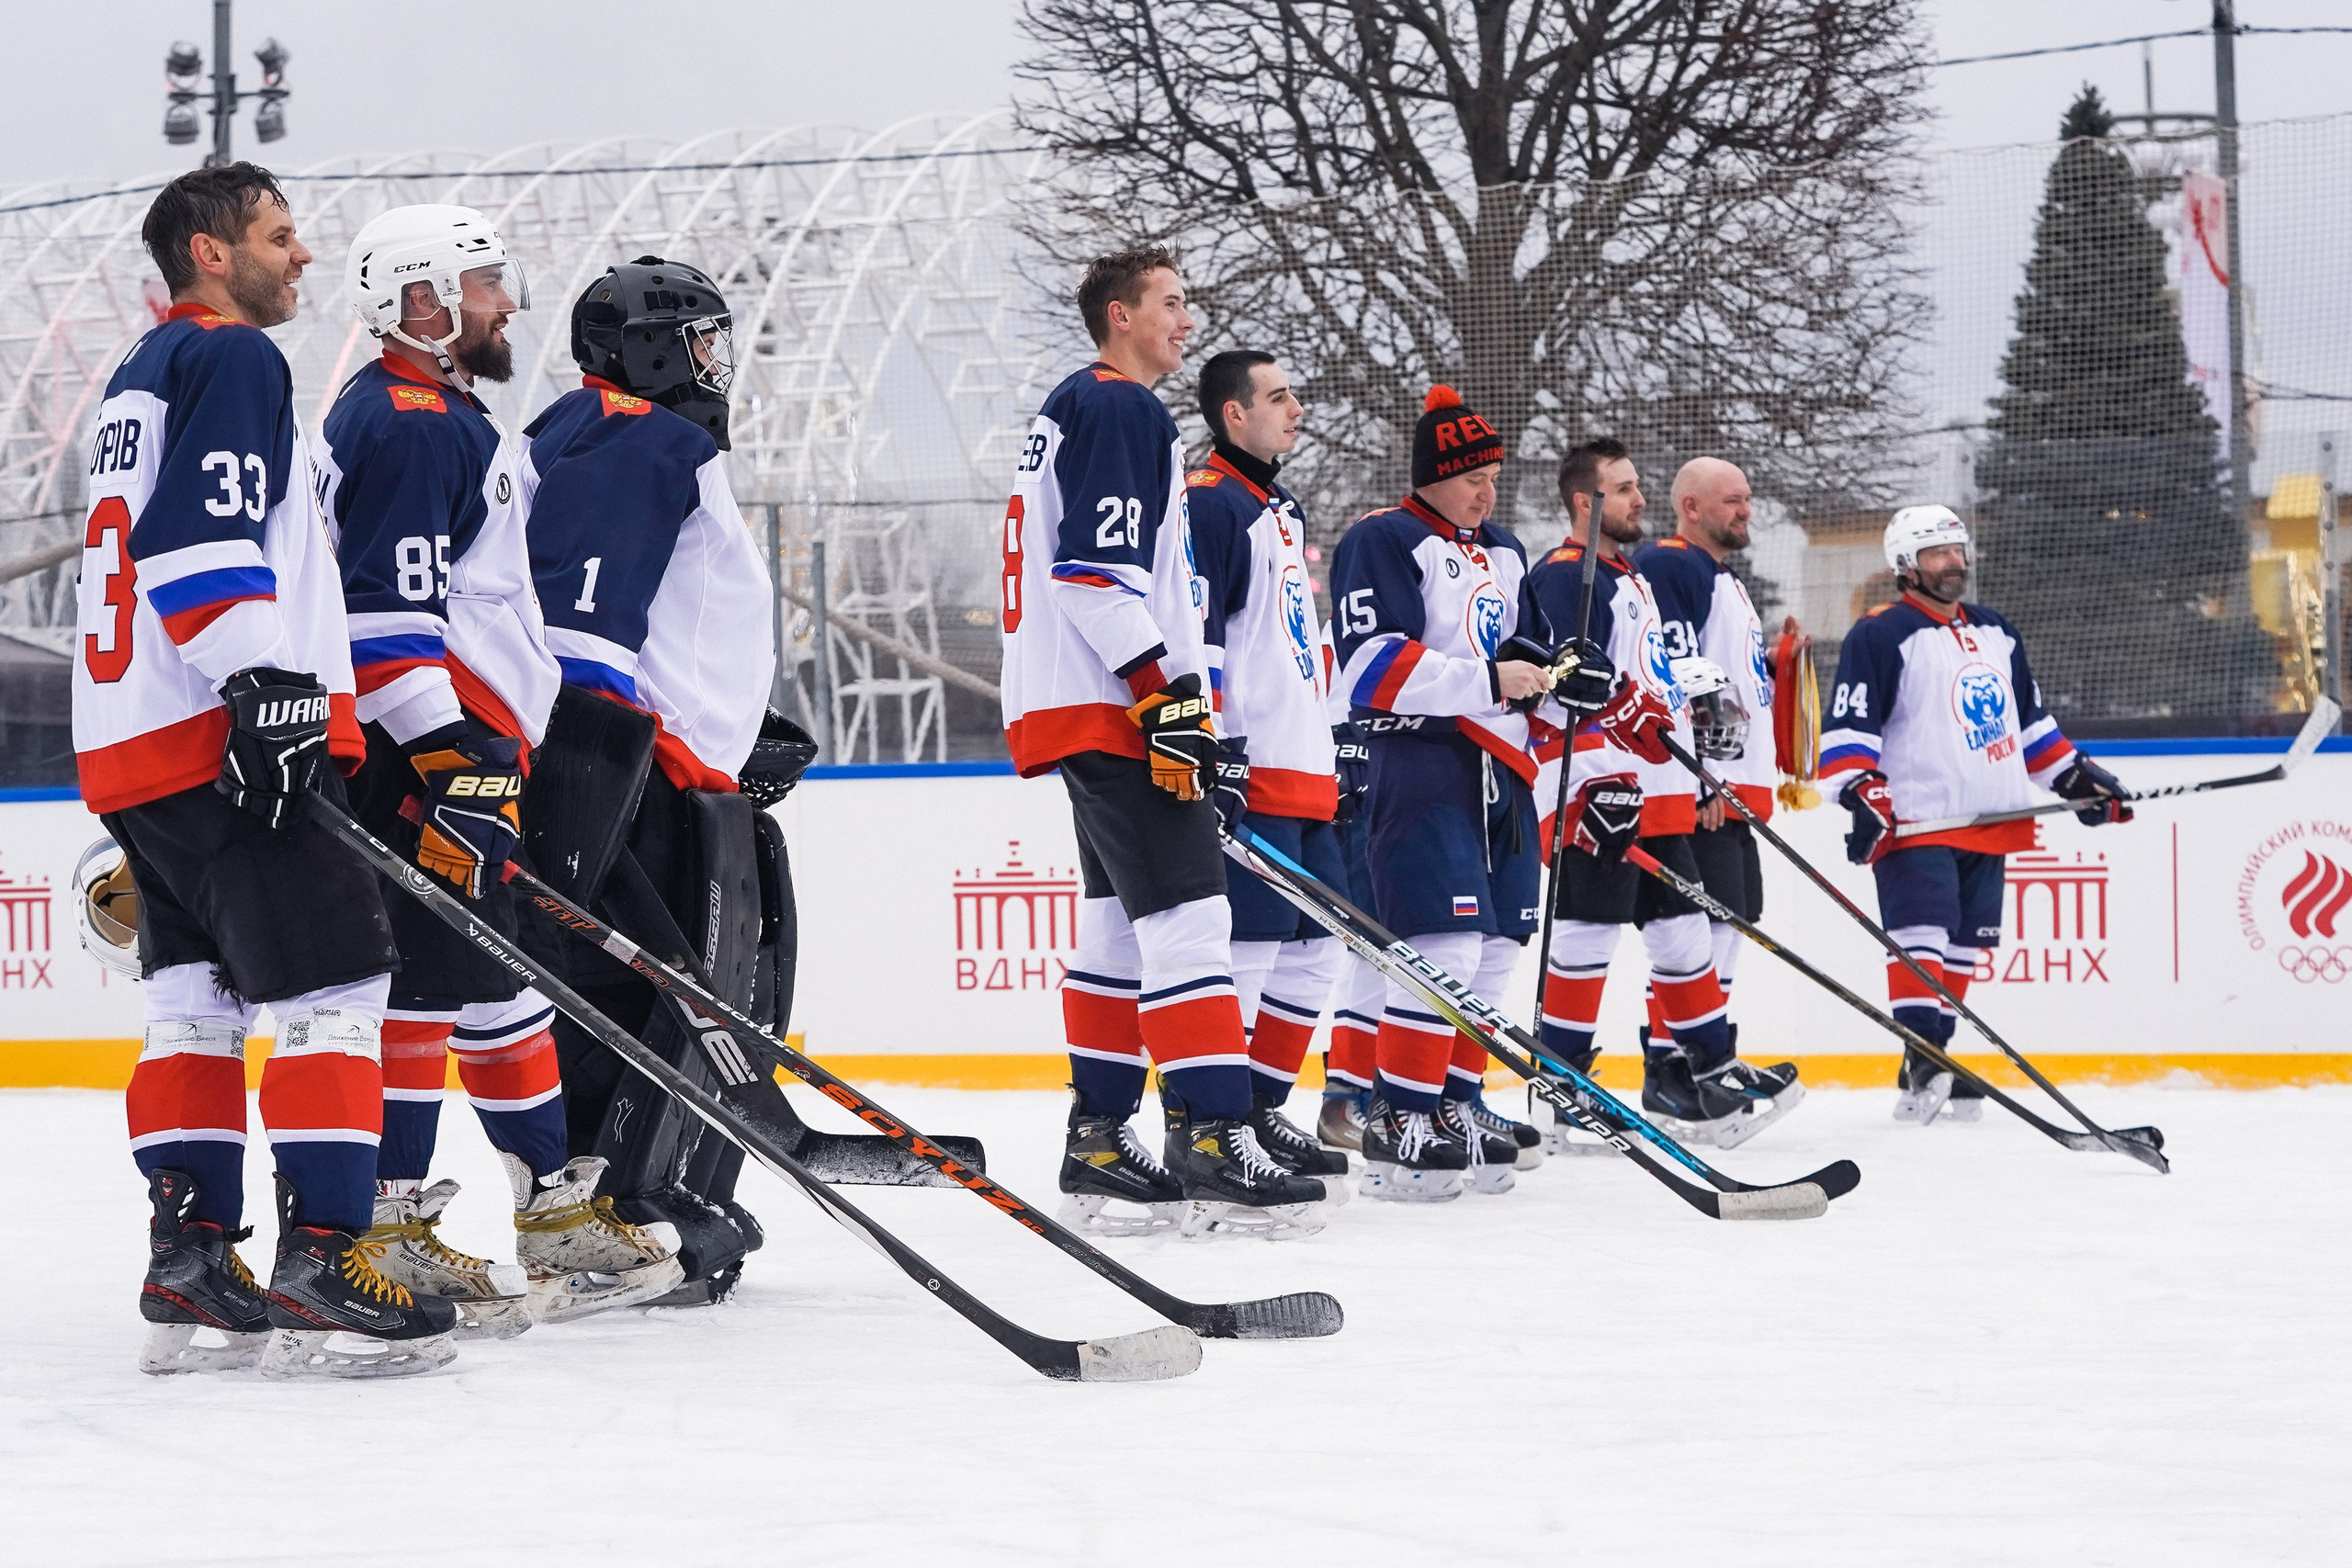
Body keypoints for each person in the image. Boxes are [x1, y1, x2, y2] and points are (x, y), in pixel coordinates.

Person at [74, 163, 456, 1378]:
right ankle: (329, 1251)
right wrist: (264, 682)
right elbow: (200, 542)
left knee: (194, 994)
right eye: (281, 237)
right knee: (337, 984)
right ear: (210, 252)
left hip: (132, 746)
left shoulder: (134, 379)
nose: (302, 257)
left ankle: (188, 1247)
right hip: (221, 733)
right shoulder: (234, 360)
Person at [323, 205, 678, 1329]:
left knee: (494, 979)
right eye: (483, 282)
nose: (506, 300)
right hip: (425, 750)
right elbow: (384, 620)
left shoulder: (431, 414)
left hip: (454, 744)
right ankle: (391, 1224)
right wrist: (454, 754)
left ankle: (544, 1205)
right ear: (421, 303)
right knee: (428, 989)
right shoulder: (414, 423)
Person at [1004, 248, 1325, 1240]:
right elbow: (1093, 577)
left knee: (1114, 933)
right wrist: (1166, 697)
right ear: (1119, 315)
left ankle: (1098, 1138)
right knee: (1191, 925)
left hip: (1082, 705)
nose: (1186, 322)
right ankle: (1212, 1136)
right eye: (1171, 304)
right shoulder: (1119, 407)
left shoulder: (1080, 408)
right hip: (1116, 707)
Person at [518, 255, 784, 1303]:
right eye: (702, 341)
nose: (717, 364)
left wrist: (737, 725)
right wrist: (628, 766)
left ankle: (650, 1193)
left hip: (667, 759)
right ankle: (618, 1210)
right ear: (647, 351)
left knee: (660, 994)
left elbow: (664, 615)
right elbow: (580, 629)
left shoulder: (606, 435)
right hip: (640, 771)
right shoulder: (632, 437)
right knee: (628, 997)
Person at [1525, 439, 1801, 1149]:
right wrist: (1586, 783)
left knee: (1681, 930)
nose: (1637, 498)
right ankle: (1563, 1085)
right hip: (1599, 794)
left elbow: (1637, 683)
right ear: (1585, 503)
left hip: (1655, 790)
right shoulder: (1564, 578)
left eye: (1637, 485)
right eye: (1621, 489)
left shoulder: (1627, 579)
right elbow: (1554, 692)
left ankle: (1712, 1070)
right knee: (1586, 931)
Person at [1326, 386, 1565, 1201]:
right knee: (1441, 947)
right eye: (1472, 476)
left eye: (1494, 474)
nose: (1487, 490)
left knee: (1494, 950)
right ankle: (1401, 1113)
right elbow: (1373, 668)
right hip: (1422, 761)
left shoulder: (1505, 548)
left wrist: (1571, 675)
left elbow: (1526, 654)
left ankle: (1456, 1102)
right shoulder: (1384, 539)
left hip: (1507, 769)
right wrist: (1493, 681)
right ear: (1431, 474)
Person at [1823, 505, 2132, 1123]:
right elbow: (1850, 726)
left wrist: (2078, 777)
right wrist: (1860, 789)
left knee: (1966, 942)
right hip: (1919, 818)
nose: (1954, 562)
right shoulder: (1880, 633)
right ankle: (1926, 1055)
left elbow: (2029, 726)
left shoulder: (1997, 631)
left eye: (1958, 550)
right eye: (1938, 552)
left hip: (1991, 816)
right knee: (1924, 931)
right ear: (1906, 565)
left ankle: (1934, 1060)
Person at [1182, 349, 1348, 1190]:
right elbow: (1199, 636)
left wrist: (1337, 738)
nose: (1296, 408)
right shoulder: (1211, 505)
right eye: (1278, 397)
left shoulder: (1278, 507)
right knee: (1247, 951)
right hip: (1254, 767)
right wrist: (1217, 749)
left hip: (1307, 768)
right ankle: (1216, 1132)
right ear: (1232, 415)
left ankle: (1257, 1111)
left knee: (1317, 950)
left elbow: (1297, 645)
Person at [1629, 457, 1803, 1111]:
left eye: (1748, 498)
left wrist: (1779, 663)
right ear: (1692, 506)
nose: (1746, 510)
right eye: (1732, 500)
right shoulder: (1672, 564)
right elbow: (1673, 671)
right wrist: (1699, 773)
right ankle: (1676, 1068)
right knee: (1701, 927)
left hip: (1734, 784)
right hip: (1706, 786)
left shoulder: (1719, 576)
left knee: (1729, 924)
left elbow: (1726, 676)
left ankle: (1700, 1060)